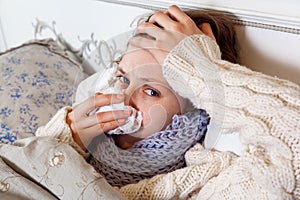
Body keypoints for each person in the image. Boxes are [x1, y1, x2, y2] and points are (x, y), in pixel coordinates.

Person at [3, 5, 299, 199]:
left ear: (198, 106)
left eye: (152, 91)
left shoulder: (204, 181)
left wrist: (205, 70)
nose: (124, 98)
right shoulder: (76, 139)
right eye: (123, 77)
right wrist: (61, 141)